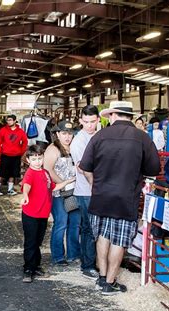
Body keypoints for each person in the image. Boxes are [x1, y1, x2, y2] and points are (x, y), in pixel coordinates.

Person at [79, 101, 160, 295]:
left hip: (100, 196)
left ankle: (101, 278)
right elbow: (154, 169)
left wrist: (93, 184)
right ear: (130, 116)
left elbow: (85, 166)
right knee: (119, 240)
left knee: (103, 236)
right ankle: (109, 283)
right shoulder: (142, 138)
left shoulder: (99, 136)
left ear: (114, 115)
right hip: (126, 198)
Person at [20, 145, 70, 283]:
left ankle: (36, 266)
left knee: (38, 242)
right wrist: (25, 195)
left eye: (39, 158)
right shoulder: (30, 173)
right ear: (28, 160)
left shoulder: (45, 173)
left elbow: (54, 187)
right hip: (31, 214)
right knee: (31, 242)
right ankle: (28, 269)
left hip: (42, 214)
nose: (37, 161)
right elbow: (26, 186)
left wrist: (69, 181)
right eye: (34, 159)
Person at [70, 105, 100, 280]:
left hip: (99, 189)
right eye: (86, 122)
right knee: (89, 228)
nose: (89, 125)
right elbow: (83, 167)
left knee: (98, 228)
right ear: (80, 121)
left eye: (93, 121)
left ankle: (95, 261)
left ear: (98, 120)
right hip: (85, 190)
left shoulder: (99, 135)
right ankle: (87, 265)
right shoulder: (79, 141)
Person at [43, 120, 78, 268]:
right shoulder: (53, 149)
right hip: (58, 193)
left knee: (75, 224)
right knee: (61, 223)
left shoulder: (75, 147)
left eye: (70, 133)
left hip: (75, 191)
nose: (67, 137)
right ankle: (58, 256)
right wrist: (62, 184)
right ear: (57, 134)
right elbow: (48, 169)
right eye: (64, 133)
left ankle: (73, 254)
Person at [0, 114, 28, 196]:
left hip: (16, 156)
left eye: (10, 120)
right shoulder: (3, 130)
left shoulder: (20, 131)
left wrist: (21, 152)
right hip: (5, 155)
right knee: (1, 173)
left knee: (13, 173)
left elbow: (25, 142)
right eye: (8, 120)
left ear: (15, 121)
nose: (9, 122)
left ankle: (10, 189)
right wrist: (0, 151)